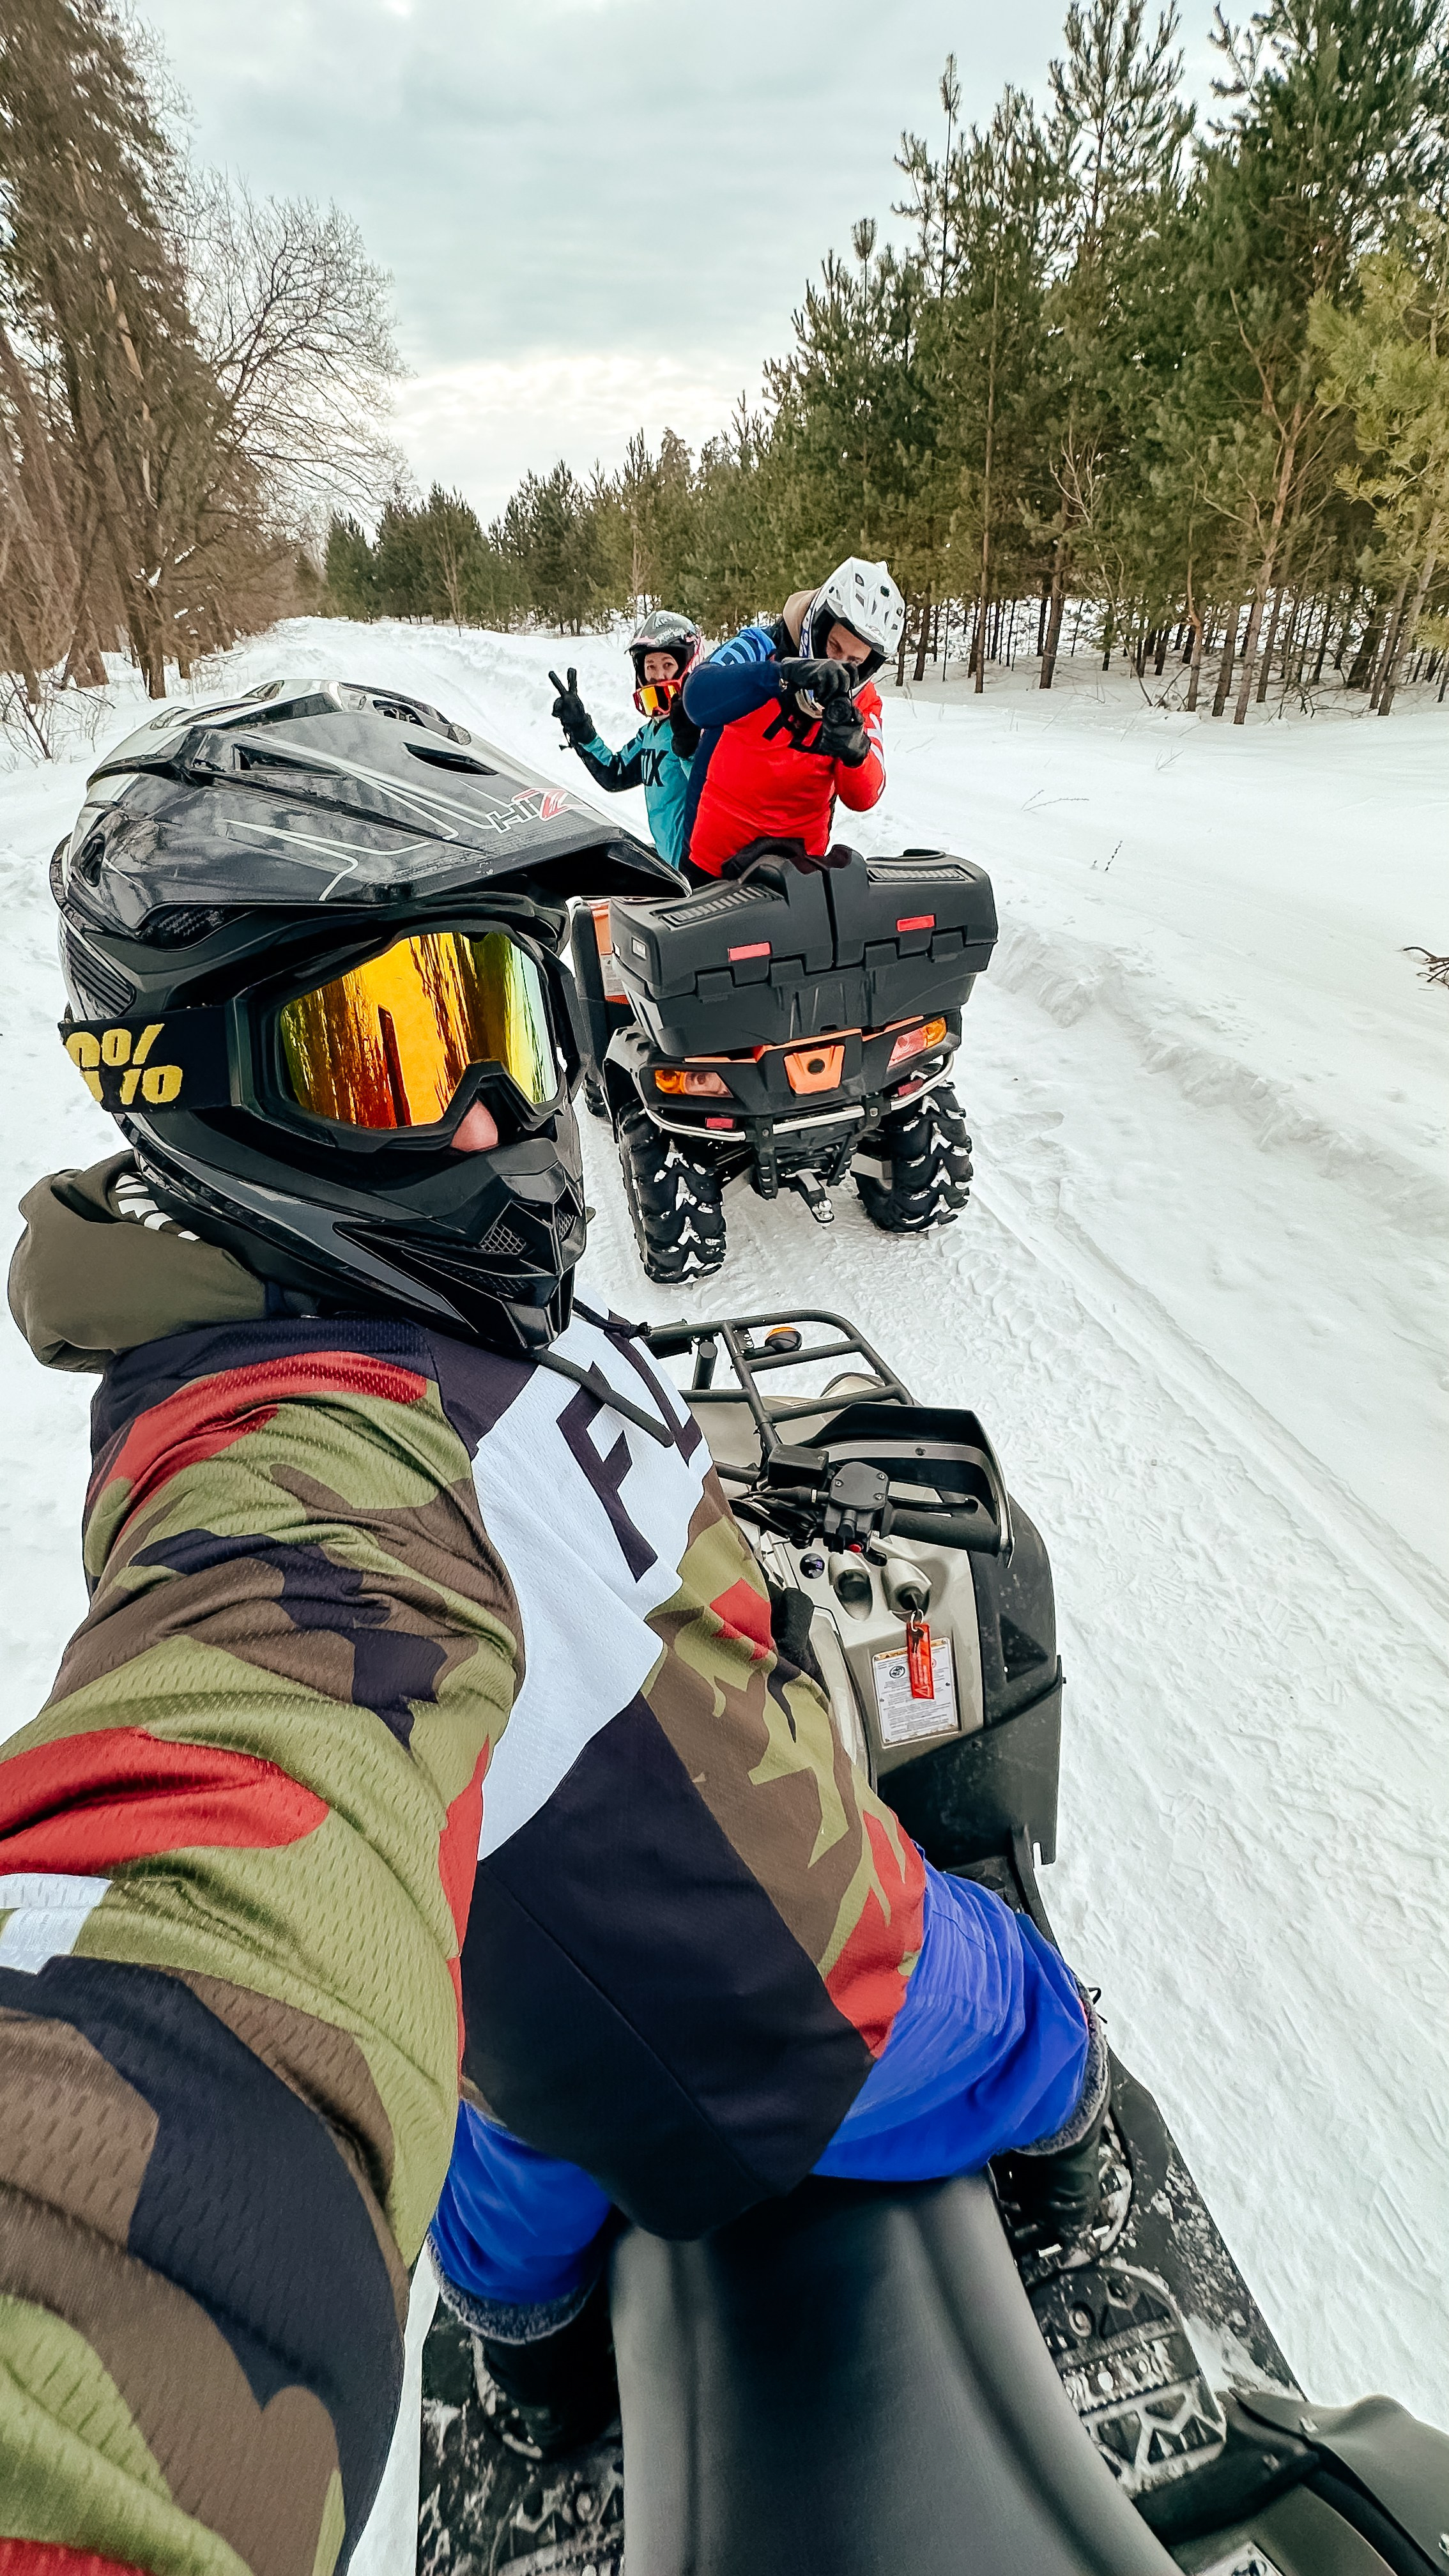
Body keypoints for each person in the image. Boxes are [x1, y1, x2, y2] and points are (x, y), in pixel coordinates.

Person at [0, 682, 1105, 2572]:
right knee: (1032, 2012)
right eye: (381, 1055)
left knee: (510, 2177)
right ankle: (1087, 2207)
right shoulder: (308, 1459)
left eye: (498, 1016)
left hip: (521, 2013)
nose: (494, 1109)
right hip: (786, 1984)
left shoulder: (313, 1309)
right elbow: (216, 1816)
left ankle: (521, 2353)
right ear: (189, 1088)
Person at [680, 557, 903, 878]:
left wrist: (855, 750)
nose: (839, 663)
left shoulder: (863, 700)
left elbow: (865, 796)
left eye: (855, 660)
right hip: (712, 859)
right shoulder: (759, 645)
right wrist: (781, 675)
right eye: (834, 646)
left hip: (798, 871)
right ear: (818, 622)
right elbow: (698, 698)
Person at [549, 610, 702, 871]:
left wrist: (689, 747)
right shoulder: (651, 732)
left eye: (667, 664)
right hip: (673, 869)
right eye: (650, 666)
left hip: (699, 870)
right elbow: (615, 774)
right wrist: (580, 728)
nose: (657, 675)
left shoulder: (703, 727)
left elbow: (710, 793)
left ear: (686, 667)